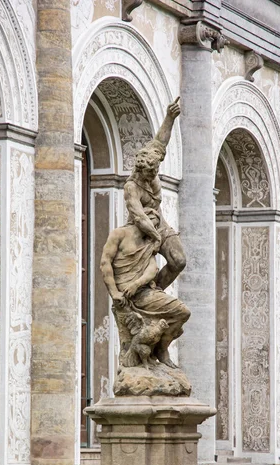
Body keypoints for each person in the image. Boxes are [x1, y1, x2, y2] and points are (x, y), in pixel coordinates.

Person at [100, 209, 190, 368]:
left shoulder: (148, 242)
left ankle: (161, 350)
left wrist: (137, 284)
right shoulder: (118, 234)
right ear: (139, 219)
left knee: (182, 312)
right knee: (181, 312)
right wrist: (114, 293)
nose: (154, 227)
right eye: (152, 223)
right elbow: (105, 263)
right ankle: (153, 352)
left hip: (143, 292)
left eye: (156, 224)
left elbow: (152, 269)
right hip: (124, 295)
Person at [124, 97, 186, 291]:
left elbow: (161, 140)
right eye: (150, 174)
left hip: (160, 224)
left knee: (179, 261)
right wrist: (155, 238)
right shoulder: (131, 188)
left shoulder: (151, 157)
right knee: (139, 274)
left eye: (156, 171)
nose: (153, 176)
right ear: (140, 171)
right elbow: (139, 218)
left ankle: (154, 293)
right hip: (139, 231)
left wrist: (170, 117)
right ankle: (142, 297)